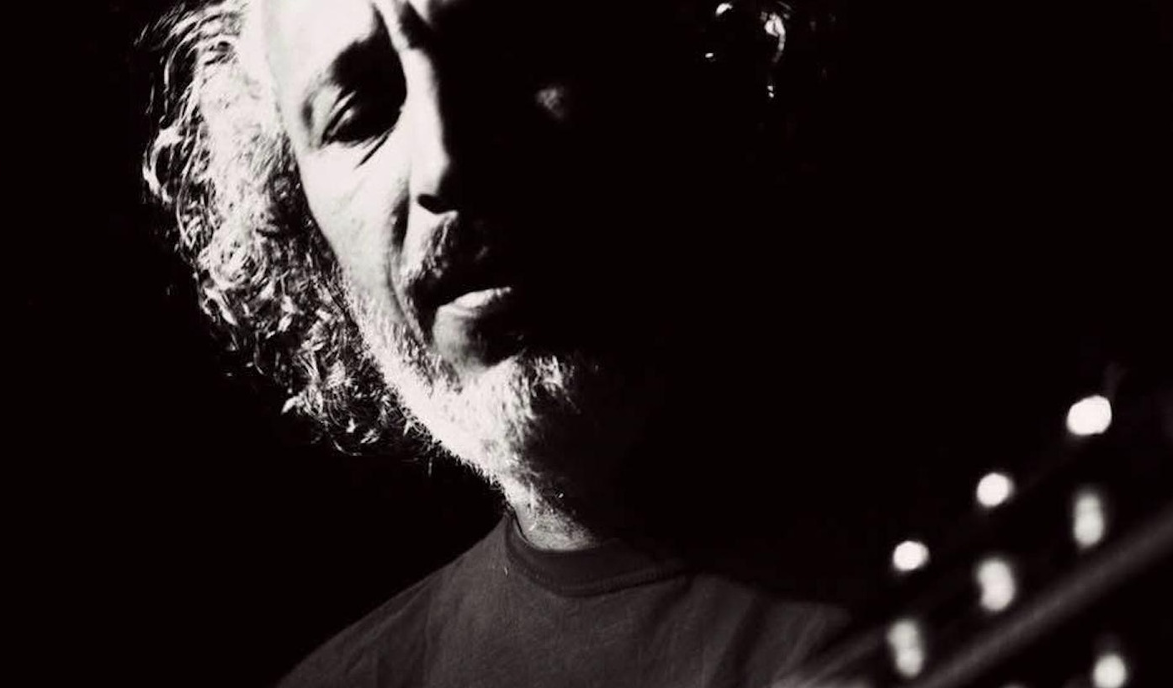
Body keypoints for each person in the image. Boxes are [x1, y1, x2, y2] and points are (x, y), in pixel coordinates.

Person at [138, 0, 1004, 685]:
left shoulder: (1026, 529)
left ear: (707, 48)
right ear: (298, 216)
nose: (446, 163)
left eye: (508, 46)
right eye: (361, 113)